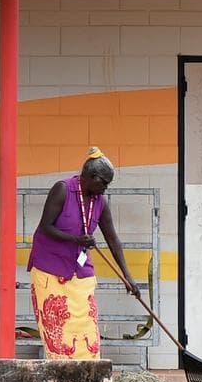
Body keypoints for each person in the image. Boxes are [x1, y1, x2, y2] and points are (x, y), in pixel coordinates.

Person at [27, 146, 138, 359]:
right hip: (51, 268)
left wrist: (127, 276)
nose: (105, 189)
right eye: (104, 183)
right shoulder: (62, 189)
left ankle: (89, 374)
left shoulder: (100, 201)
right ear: (92, 177)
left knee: (87, 325)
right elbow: (45, 228)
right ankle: (62, 375)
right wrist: (76, 239)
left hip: (79, 268)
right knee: (59, 330)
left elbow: (113, 239)